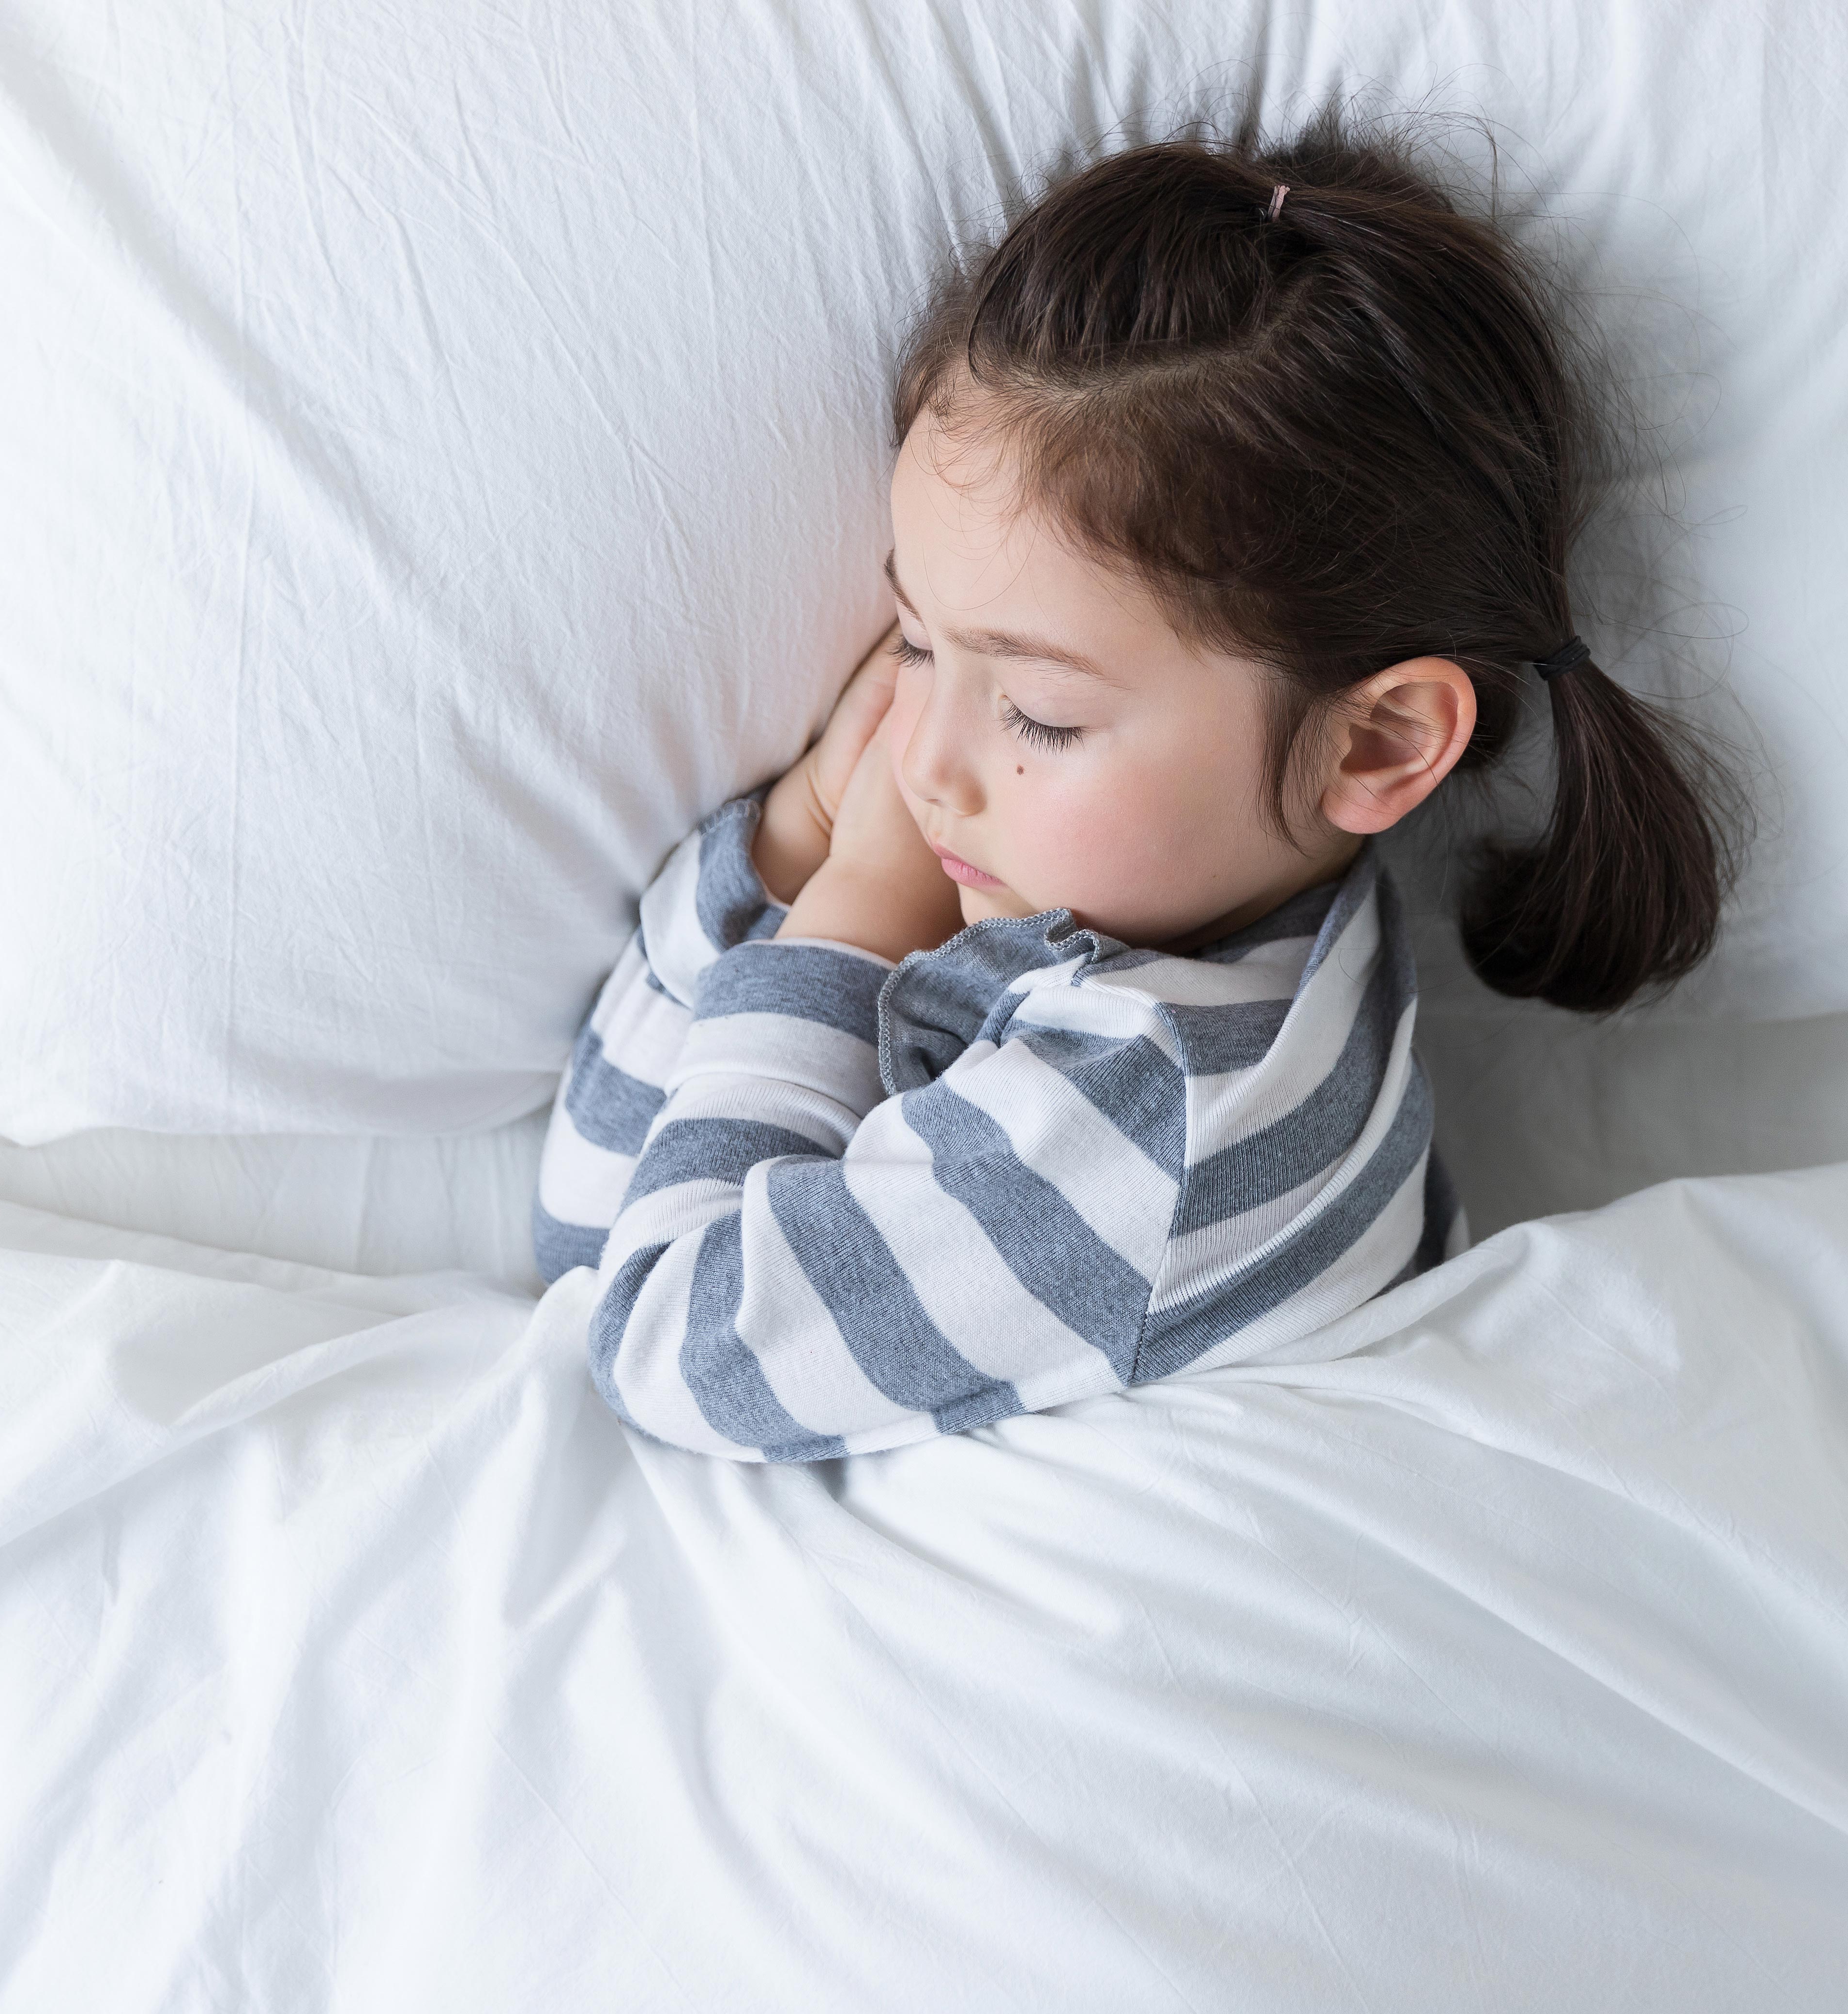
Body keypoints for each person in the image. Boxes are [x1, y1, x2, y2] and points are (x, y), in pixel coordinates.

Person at [533, 120, 1739, 1462]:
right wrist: (792, 834)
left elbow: (645, 1322)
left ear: (1378, 746)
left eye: (1040, 715)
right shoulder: (1228, 902)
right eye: (917, 645)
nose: (922, 759)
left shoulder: (1155, 1121)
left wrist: (852, 911)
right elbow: (599, 1208)